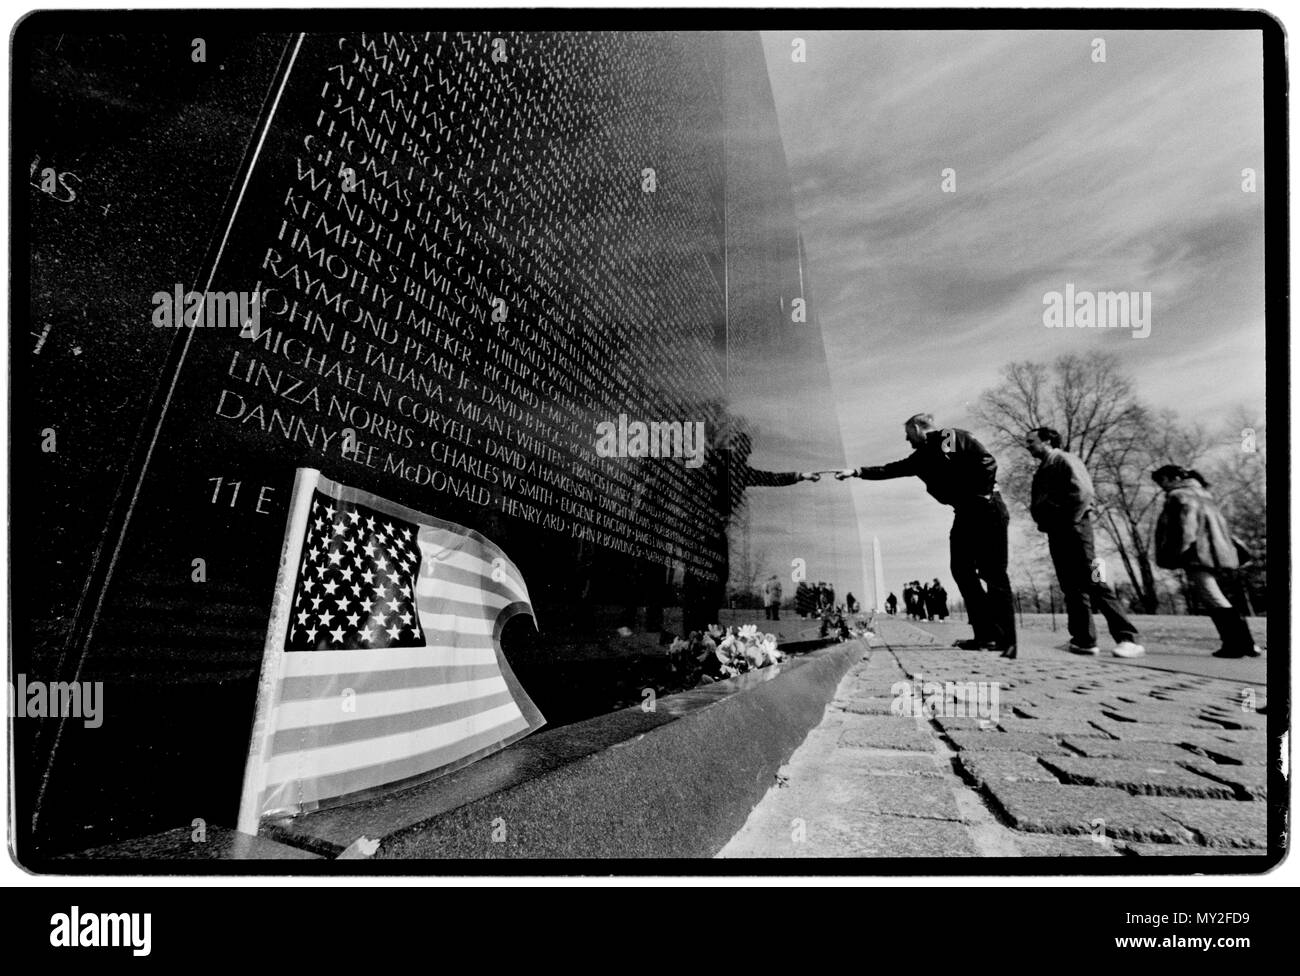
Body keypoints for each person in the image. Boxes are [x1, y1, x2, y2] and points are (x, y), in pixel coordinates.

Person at [837, 413, 1016, 656]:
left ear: (918, 428)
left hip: (985, 508)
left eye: (908, 434)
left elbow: (986, 462)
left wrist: (980, 496)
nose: (906, 440)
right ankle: (986, 634)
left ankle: (1005, 639)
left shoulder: (947, 438)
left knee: (992, 572)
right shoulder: (921, 458)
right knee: (961, 570)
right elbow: (890, 469)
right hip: (965, 512)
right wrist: (857, 471)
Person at [1026, 428, 1144, 658]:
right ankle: (1083, 640)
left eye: (1031, 441)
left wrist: (1068, 521)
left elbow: (1084, 492)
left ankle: (1128, 638)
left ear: (1048, 441)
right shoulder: (1042, 469)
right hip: (1057, 531)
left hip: (1076, 529)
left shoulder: (1066, 460)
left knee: (1095, 581)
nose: (1028, 446)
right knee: (1071, 586)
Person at [1153, 465, 1260, 658]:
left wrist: (1179, 552)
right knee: (1221, 596)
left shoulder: (1178, 496)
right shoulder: (1205, 495)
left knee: (1212, 597)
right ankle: (1247, 644)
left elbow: (1186, 526)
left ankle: (1234, 645)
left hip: (1197, 554)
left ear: (1173, 478)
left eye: (1163, 481)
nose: (1162, 486)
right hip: (1221, 553)